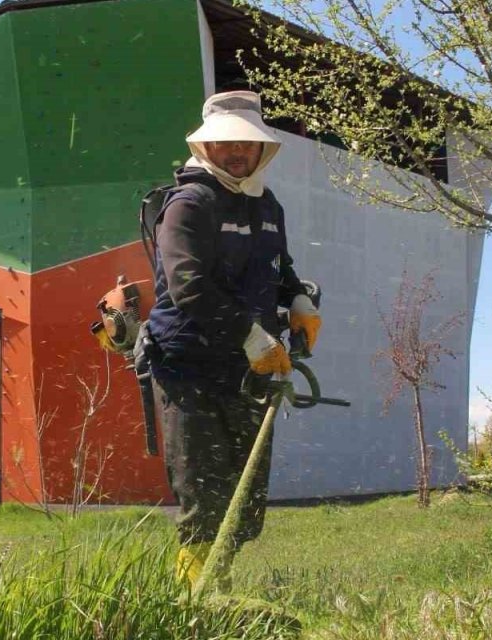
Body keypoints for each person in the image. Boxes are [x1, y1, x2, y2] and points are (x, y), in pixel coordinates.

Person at [142, 89, 321, 588]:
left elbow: (278, 267)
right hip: (188, 368)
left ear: (262, 150)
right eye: (225, 143)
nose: (236, 152)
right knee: (203, 495)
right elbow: (188, 287)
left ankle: (219, 587)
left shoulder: (269, 206)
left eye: (246, 144)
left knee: (245, 499)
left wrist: (300, 300)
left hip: (249, 371)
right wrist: (251, 335)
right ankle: (193, 607)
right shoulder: (188, 204)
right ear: (206, 148)